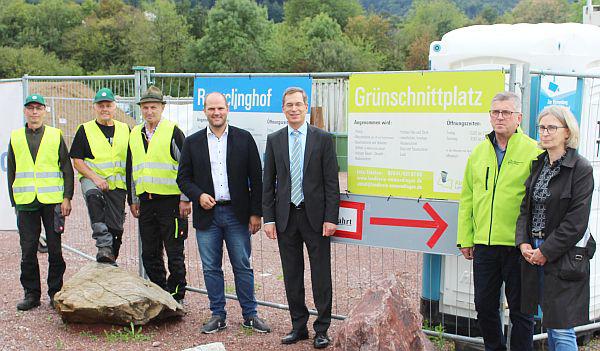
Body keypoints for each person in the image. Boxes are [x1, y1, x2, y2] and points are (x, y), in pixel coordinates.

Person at [177, 92, 270, 334]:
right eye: (211, 109)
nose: (216, 113)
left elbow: (256, 179)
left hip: (237, 214)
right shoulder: (193, 142)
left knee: (242, 265)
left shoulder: (244, 138)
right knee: (210, 268)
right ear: (205, 112)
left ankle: (250, 315)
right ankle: (218, 314)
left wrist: (255, 213)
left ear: (227, 109)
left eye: (220, 108)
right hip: (208, 216)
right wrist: (198, 195)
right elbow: (183, 178)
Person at [457, 91, 540, 350]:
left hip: (519, 247)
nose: (500, 117)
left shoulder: (534, 152)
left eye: (506, 112)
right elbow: (468, 197)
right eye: (495, 112)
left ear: (519, 117)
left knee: (521, 312)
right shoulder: (479, 152)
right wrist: (465, 238)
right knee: (484, 307)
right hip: (484, 245)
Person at [262, 87, 340, 349]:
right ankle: (299, 326)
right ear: (283, 109)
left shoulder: (323, 139)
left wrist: (331, 217)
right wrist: (269, 219)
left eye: (298, 104)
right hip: (286, 218)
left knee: (320, 275)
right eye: (288, 105)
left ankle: (322, 329)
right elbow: (268, 183)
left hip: (315, 218)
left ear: (306, 107)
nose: (293, 109)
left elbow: (331, 182)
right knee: (292, 274)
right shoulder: (274, 140)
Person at [517, 106, 594, 350]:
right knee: (550, 321)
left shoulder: (581, 169)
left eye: (552, 127)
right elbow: (525, 209)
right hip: (534, 252)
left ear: (567, 133)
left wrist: (546, 251)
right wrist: (524, 242)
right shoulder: (539, 165)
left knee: (561, 327)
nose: (545, 133)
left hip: (561, 254)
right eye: (542, 127)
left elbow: (576, 222)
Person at [7, 94, 74, 310]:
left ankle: (55, 292)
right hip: (26, 201)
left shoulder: (55, 135)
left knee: (55, 249)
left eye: (38, 108)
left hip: (52, 202)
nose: (34, 112)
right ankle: (31, 294)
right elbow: (12, 171)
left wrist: (67, 197)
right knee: (27, 250)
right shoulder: (16, 137)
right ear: (25, 111)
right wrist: (14, 202)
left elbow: (66, 168)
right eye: (30, 108)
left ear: (45, 110)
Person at [128, 86, 190, 303]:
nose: (149, 111)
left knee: (174, 251)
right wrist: (134, 199)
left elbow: (185, 167)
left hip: (170, 202)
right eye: (145, 107)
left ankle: (176, 296)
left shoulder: (173, 132)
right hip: (146, 201)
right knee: (150, 252)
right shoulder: (135, 133)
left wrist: (185, 198)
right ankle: (159, 293)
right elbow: (132, 169)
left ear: (162, 108)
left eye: (153, 107)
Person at [70, 87, 129, 264]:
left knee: (116, 229)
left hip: (117, 186)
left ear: (114, 107)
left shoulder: (125, 129)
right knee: (93, 198)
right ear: (94, 107)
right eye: (101, 105)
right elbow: (77, 160)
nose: (105, 109)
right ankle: (102, 244)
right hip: (92, 180)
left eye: (108, 105)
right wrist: (95, 178)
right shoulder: (85, 130)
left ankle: (109, 259)